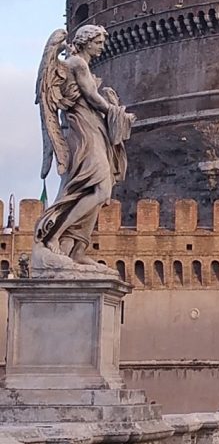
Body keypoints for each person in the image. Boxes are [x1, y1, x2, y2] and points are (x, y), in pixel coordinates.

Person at [35, 25, 135, 266]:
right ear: (86, 41)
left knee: (102, 190)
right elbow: (90, 96)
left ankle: (77, 249)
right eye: (98, 42)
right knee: (98, 187)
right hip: (83, 130)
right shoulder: (76, 64)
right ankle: (54, 236)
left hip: (93, 127)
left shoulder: (80, 64)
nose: (102, 47)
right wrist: (116, 111)